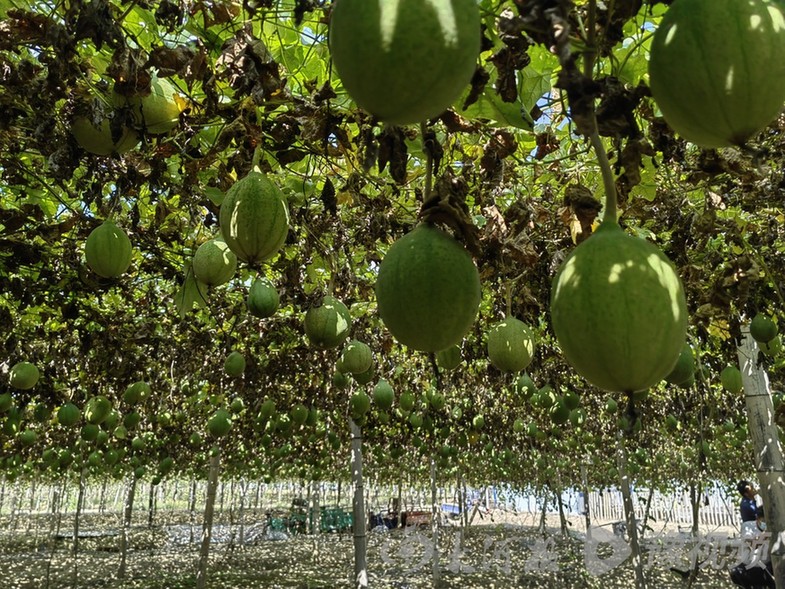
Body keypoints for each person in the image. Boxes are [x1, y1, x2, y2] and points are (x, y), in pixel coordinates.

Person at [730, 480, 774, 589]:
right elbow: (752, 545)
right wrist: (766, 535)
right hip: (750, 568)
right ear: (757, 518)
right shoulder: (748, 526)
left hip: (766, 566)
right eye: (763, 521)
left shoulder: (772, 530)